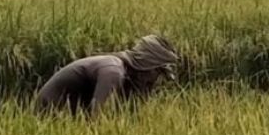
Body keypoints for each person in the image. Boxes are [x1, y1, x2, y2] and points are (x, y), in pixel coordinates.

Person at [37, 35, 179, 112]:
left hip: (70, 117)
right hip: (48, 118)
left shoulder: (129, 75)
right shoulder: (113, 70)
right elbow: (98, 112)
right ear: (147, 66)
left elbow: (129, 112)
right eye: (158, 72)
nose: (157, 79)